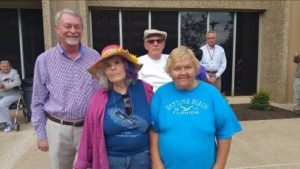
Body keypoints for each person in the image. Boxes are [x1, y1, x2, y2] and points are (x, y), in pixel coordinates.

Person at [150, 46, 242, 169]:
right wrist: (156, 162)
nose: (183, 72)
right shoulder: (161, 94)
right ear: (170, 71)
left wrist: (219, 165)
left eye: (188, 67)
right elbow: (153, 130)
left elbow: (225, 132)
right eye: (177, 68)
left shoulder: (211, 93)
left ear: (196, 69)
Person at [31, 8, 100, 169]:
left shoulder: (94, 57)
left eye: (77, 27)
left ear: (82, 30)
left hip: (88, 127)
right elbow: (37, 101)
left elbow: (101, 93)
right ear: (57, 29)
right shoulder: (44, 60)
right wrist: (41, 134)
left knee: (92, 166)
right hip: (58, 129)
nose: (73, 31)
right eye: (67, 26)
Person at [75, 44, 154, 169]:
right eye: (107, 65)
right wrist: (82, 163)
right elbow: (88, 134)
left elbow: (157, 124)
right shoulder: (98, 99)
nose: (113, 68)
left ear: (126, 66)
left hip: (142, 158)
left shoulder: (145, 89)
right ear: (104, 73)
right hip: (112, 160)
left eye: (117, 63)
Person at [0, 60, 21, 132]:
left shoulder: (14, 73)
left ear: (9, 66)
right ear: (0, 67)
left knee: (1, 104)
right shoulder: (0, 74)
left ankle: (8, 123)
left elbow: (18, 83)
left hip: (14, 94)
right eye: (3, 66)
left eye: (7, 66)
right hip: (2, 94)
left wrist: (5, 86)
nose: (5, 68)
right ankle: (1, 122)